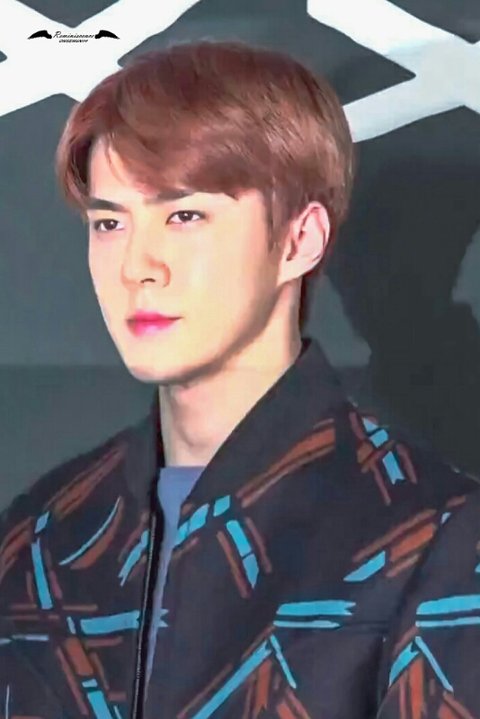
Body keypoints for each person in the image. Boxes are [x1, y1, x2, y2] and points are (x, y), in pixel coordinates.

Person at [1, 40, 479, 719]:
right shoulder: (40, 535)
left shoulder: (435, 537)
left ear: (300, 239)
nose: (137, 265)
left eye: (184, 215)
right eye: (109, 222)